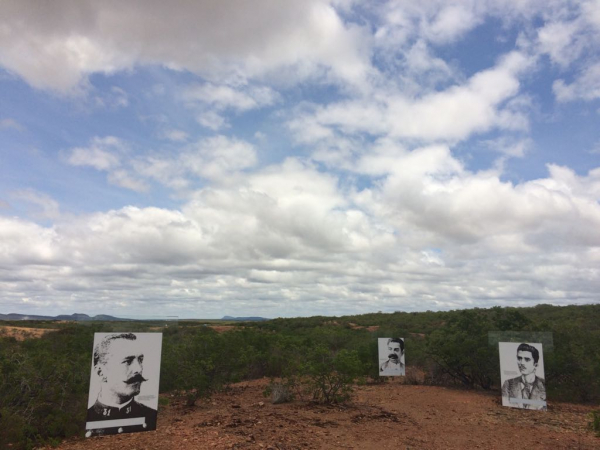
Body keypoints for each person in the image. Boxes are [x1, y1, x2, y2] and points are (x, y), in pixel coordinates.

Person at [86, 333, 157, 436]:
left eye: (140, 360)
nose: (139, 369)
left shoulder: (151, 416)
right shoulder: (84, 419)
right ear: (100, 372)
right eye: (128, 361)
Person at [501, 343, 546, 410]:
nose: (521, 363)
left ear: (535, 365)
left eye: (527, 359)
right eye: (519, 358)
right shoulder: (508, 384)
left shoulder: (544, 385)